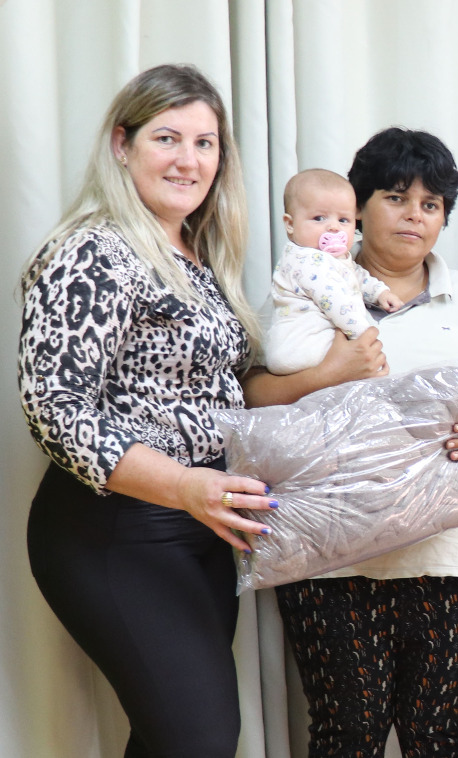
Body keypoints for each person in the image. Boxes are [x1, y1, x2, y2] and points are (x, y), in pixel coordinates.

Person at [245, 127, 458, 756]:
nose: (414, 215)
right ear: (358, 207)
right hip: (328, 557)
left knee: (436, 736)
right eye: (396, 197)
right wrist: (330, 372)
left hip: (452, 555)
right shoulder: (303, 285)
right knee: (348, 733)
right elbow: (251, 400)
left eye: (431, 204)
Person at [18, 63, 275, 757]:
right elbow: (54, 406)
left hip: (200, 526)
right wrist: (186, 485)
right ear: (122, 145)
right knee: (200, 740)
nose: (189, 160)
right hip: (114, 529)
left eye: (205, 143)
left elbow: (219, 390)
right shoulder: (93, 251)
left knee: (174, 740)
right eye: (168, 138)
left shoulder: (197, 255)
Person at [264, 168, 403, 375]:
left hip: (302, 347)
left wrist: (379, 292)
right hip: (301, 347)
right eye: (319, 218)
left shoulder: (333, 260)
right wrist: (364, 337)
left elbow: (355, 274)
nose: (334, 228)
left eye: (343, 220)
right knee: (361, 369)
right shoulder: (308, 261)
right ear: (290, 224)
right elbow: (337, 302)